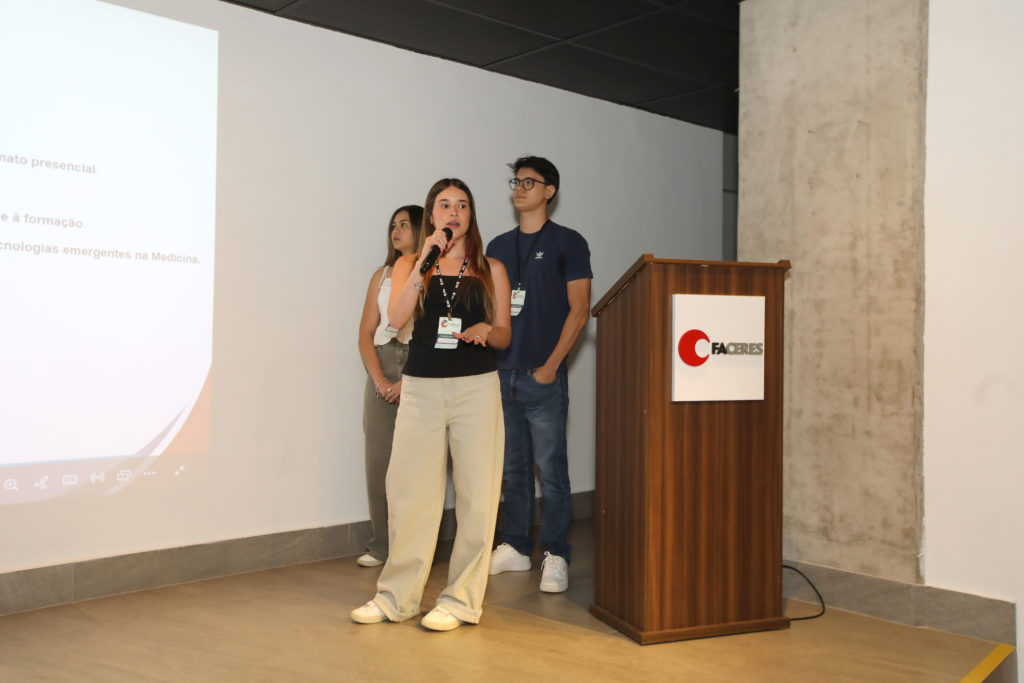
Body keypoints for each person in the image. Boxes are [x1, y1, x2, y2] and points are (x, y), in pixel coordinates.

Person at [351, 178, 512, 631]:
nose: (453, 212)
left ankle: (460, 601)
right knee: (410, 495)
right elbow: (396, 318)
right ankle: (396, 598)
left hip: (476, 389)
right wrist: (424, 260)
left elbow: (504, 333)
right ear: (432, 214)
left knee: (477, 497)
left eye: (462, 205)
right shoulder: (410, 263)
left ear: (471, 215)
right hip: (420, 389)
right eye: (444, 205)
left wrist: (488, 331)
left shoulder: (491, 268)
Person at [485, 156, 592, 593]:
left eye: (530, 182)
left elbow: (580, 310)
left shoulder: (569, 242)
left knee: (551, 471)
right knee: (512, 470)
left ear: (550, 191)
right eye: (516, 181)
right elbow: (489, 310)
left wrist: (551, 367)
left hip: (543, 377)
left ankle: (555, 553)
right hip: (501, 375)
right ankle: (515, 545)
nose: (519, 187)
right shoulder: (497, 246)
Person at [355, 204, 424, 568]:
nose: (396, 230)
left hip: (420, 364)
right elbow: (366, 333)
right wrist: (380, 380)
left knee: (417, 465)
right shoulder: (380, 276)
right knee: (378, 461)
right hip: (380, 364)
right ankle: (381, 545)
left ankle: (413, 548)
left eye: (404, 224)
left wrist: (408, 380)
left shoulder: (433, 272)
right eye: (393, 225)